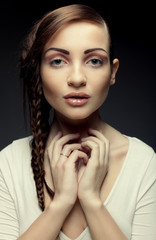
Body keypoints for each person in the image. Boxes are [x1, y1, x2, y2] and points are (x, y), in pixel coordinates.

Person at [0, 4, 156, 240]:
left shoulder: (145, 164)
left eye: (94, 61)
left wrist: (92, 202)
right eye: (57, 61)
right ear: (38, 72)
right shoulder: (9, 164)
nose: (76, 78)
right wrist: (60, 204)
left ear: (112, 72)